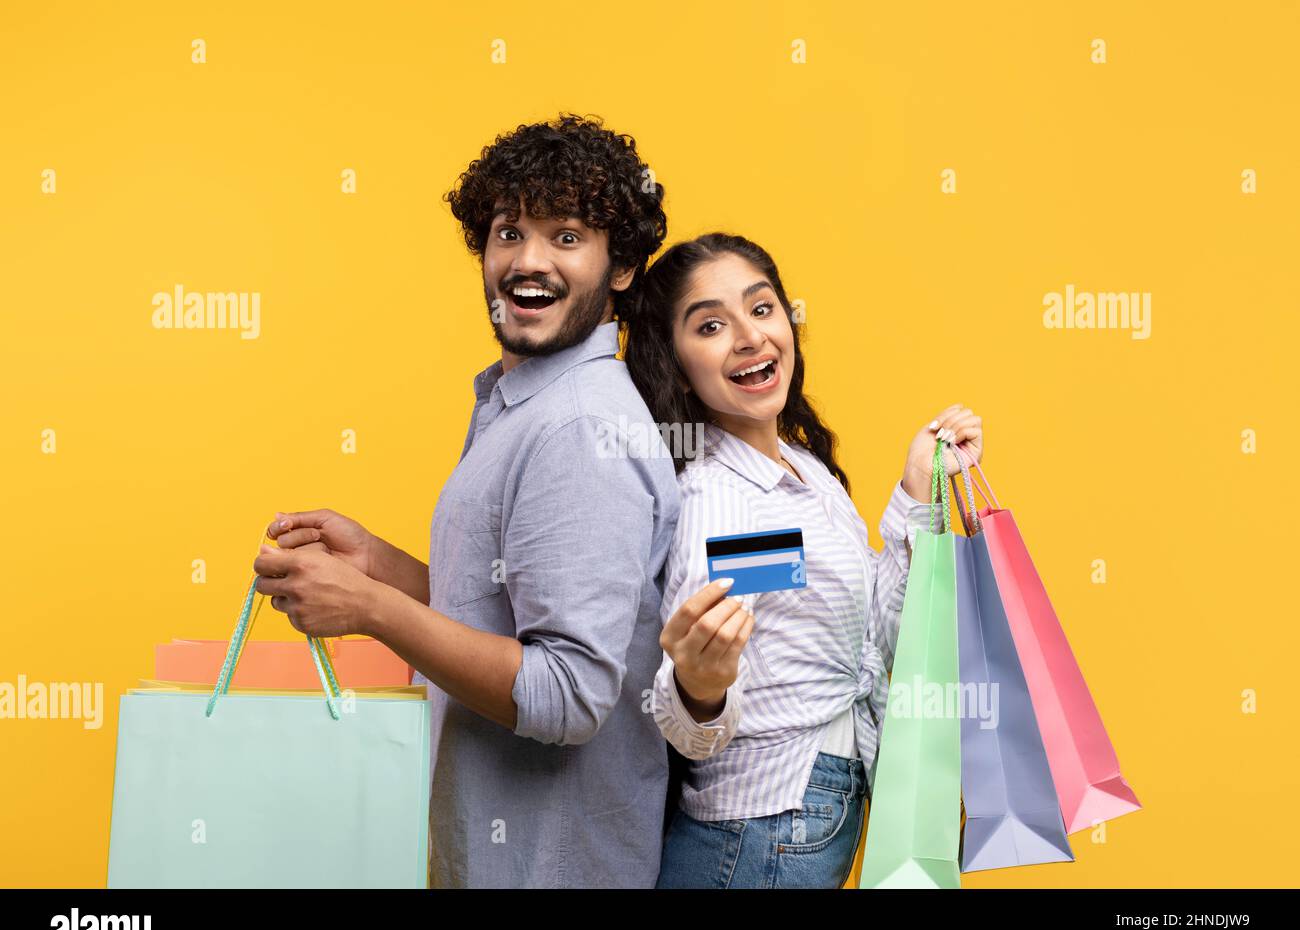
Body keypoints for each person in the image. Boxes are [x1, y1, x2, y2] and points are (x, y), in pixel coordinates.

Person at [252, 114, 680, 887]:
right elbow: (501, 610)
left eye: (568, 236)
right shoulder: (518, 405)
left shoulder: (580, 428)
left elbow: (568, 696)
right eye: (509, 232)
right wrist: (378, 566)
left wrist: (370, 610)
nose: (530, 261)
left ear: (620, 268)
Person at [622, 232, 985, 888]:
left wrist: (914, 493)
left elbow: (876, 643)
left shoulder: (803, 474)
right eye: (710, 325)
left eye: (761, 309)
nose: (749, 336)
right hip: (758, 834)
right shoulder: (719, 499)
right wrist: (698, 689)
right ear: (675, 364)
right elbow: (684, 720)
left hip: (802, 821)